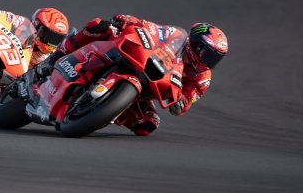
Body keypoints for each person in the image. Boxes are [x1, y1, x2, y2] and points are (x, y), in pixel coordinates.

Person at [35, 14, 229, 136]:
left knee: (147, 125)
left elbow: (185, 103)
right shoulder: (175, 36)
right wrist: (129, 21)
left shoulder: (202, 79)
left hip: (148, 87)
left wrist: (180, 103)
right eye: (206, 53)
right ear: (194, 44)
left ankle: (101, 112)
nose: (208, 61)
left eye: (214, 58)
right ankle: (55, 57)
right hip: (135, 58)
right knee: (100, 26)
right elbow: (151, 28)